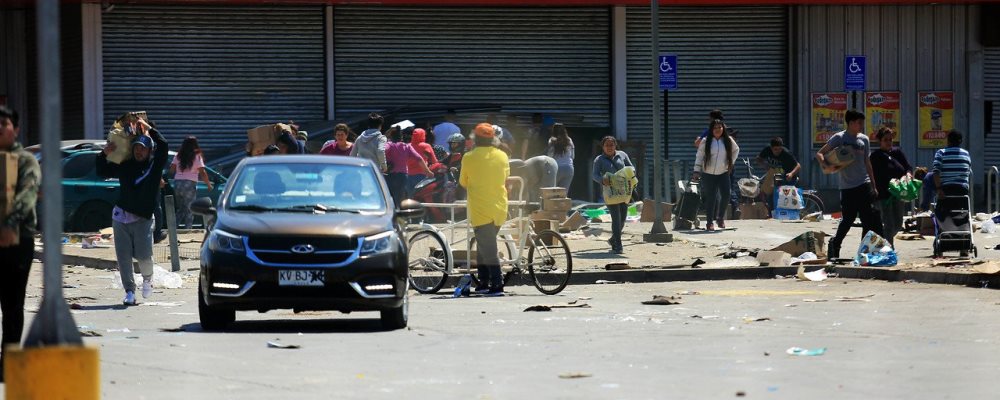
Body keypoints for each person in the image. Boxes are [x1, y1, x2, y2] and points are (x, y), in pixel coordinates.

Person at [96, 116, 169, 305]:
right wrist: (104, 154)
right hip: (121, 217)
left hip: (143, 219)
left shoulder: (154, 167)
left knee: (144, 257)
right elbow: (103, 171)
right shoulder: (126, 166)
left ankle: (147, 278)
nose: (139, 151)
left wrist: (148, 129)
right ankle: (129, 292)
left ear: (149, 150)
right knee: (124, 258)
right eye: (136, 148)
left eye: (143, 148)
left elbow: (164, 145)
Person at [0, 106, 40, 382]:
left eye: (3, 123)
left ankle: (10, 364)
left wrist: (8, 223)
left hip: (17, 240)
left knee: (12, 304)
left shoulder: (25, 160)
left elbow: (27, 196)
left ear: (16, 128)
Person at [815, 109, 882, 259]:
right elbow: (820, 153)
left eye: (862, 123)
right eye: (859, 123)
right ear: (851, 123)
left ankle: (863, 252)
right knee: (848, 220)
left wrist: (874, 185)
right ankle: (836, 244)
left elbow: (867, 162)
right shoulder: (839, 138)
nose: (861, 126)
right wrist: (826, 165)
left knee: (868, 220)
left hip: (864, 185)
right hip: (847, 187)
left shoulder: (864, 139)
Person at [459, 123, 510, 295]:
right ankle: (483, 283)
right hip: (500, 208)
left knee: (488, 249)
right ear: (493, 139)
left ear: (475, 138)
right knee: (483, 246)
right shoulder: (502, 156)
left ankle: (497, 284)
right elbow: (506, 176)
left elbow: (463, 182)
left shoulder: (468, 157)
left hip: (480, 209)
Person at [693, 119, 740, 231]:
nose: (717, 130)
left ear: (723, 128)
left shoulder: (728, 140)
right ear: (711, 130)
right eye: (715, 128)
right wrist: (696, 170)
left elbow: (736, 150)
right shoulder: (706, 141)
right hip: (708, 174)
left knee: (726, 195)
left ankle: (720, 218)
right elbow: (699, 156)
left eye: (719, 127)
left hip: (723, 172)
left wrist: (731, 163)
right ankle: (709, 222)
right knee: (711, 198)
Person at [869, 127, 912, 246]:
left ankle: (881, 241)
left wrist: (908, 174)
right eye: (885, 140)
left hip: (898, 193)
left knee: (898, 224)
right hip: (884, 195)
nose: (889, 142)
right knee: (889, 224)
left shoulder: (897, 153)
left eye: (890, 139)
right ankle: (888, 250)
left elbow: (908, 167)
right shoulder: (875, 156)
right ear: (880, 141)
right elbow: (871, 175)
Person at [592, 136, 633, 254]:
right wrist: (602, 180)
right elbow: (594, 175)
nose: (609, 147)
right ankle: (618, 245)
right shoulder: (599, 160)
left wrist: (631, 173)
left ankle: (613, 239)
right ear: (603, 147)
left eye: (612, 145)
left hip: (624, 191)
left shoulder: (622, 155)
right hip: (610, 193)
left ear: (615, 145)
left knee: (623, 219)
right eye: (607, 145)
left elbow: (631, 167)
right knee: (616, 219)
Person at [170, 136, 213, 229]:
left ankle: (173, 229)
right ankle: (188, 230)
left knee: (181, 208)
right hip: (189, 184)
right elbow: (203, 172)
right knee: (190, 209)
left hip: (177, 184)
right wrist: (208, 184)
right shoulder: (197, 156)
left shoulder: (178, 155)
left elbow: (172, 170)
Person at [385, 126, 432, 208]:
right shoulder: (406, 146)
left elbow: (382, 150)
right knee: (399, 199)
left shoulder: (389, 145)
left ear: (391, 136)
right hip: (402, 177)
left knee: (388, 198)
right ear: (401, 137)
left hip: (389, 176)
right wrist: (428, 171)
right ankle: (399, 216)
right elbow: (419, 159)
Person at [932, 129, 972, 198]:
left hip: (945, 190)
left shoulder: (941, 153)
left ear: (948, 140)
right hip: (962, 190)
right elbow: (968, 171)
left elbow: (936, 172)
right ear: (960, 141)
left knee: (928, 177)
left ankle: (925, 205)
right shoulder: (966, 154)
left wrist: (939, 189)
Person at [406, 128, 439, 197]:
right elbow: (434, 161)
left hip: (408, 176)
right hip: (422, 175)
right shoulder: (426, 146)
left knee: (410, 197)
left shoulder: (408, 146)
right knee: (421, 197)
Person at [546, 122, 575, 191]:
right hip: (569, 168)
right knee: (563, 193)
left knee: (553, 192)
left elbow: (550, 156)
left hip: (556, 168)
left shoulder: (551, 140)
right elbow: (572, 156)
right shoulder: (569, 140)